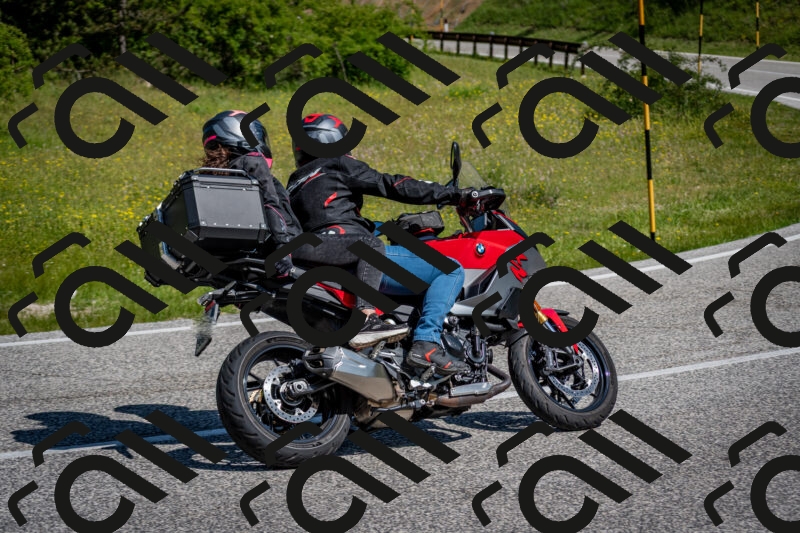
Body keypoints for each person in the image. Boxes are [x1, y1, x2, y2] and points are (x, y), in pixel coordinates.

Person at [201, 110, 408, 350]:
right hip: (290, 246)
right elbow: (271, 205)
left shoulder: (215, 179)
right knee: (369, 245)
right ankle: (366, 320)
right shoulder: (252, 163)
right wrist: (283, 247)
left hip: (257, 257)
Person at [287, 113, 472, 376]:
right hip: (353, 256)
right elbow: (392, 185)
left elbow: (326, 218)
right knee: (449, 270)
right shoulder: (336, 163)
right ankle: (426, 343)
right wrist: (452, 194)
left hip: (321, 256)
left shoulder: (296, 182)